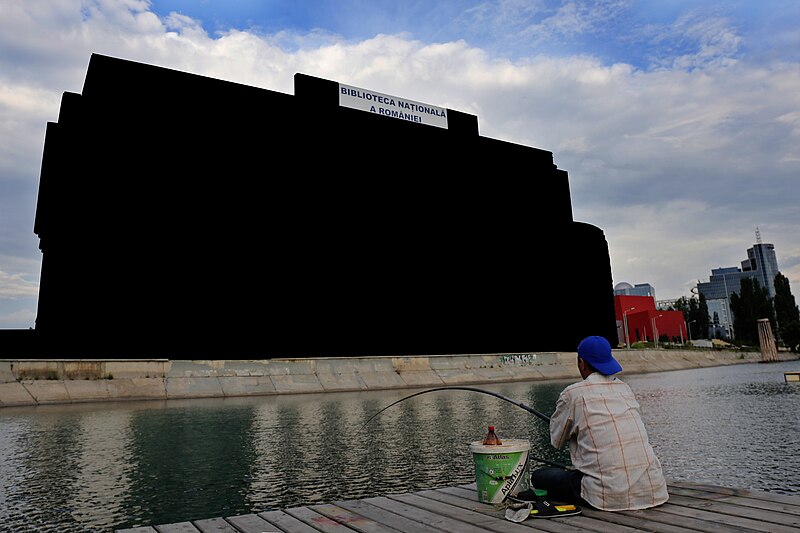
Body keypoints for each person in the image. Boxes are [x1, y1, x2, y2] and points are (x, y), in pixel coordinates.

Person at [530, 335, 669, 511]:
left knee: (539, 476)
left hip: (606, 497)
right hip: (653, 489)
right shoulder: (624, 389)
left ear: (582, 362)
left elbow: (556, 441)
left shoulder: (572, 394)